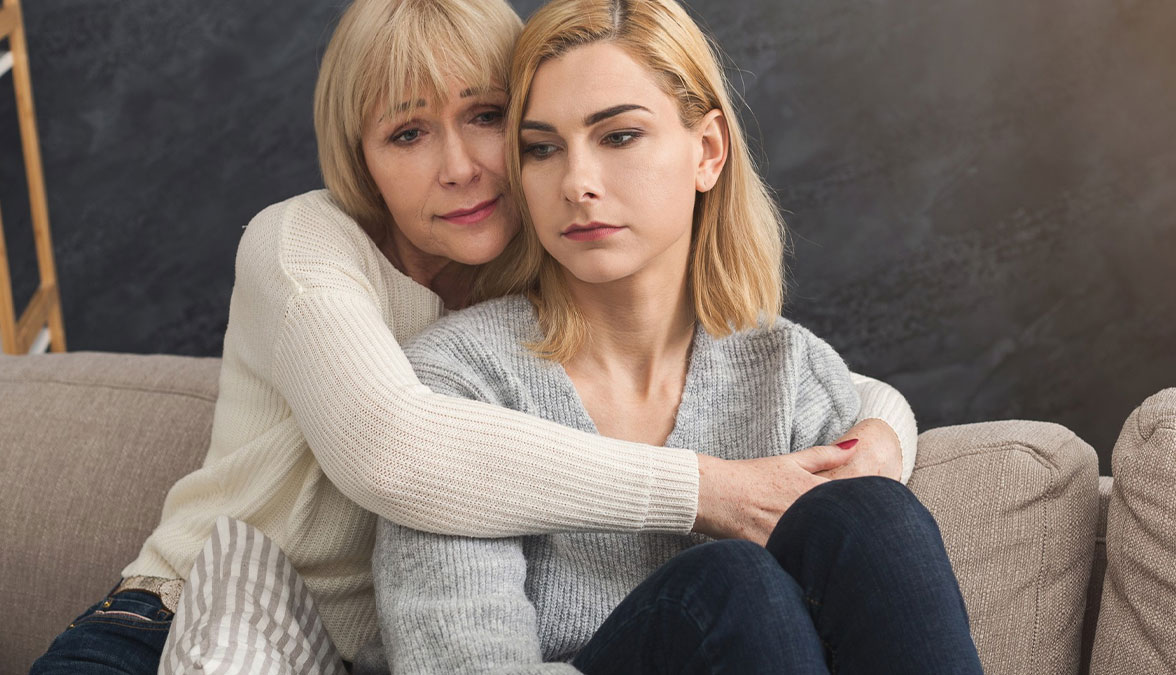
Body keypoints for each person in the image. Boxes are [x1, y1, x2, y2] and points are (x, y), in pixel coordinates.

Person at [31, 0, 915, 672]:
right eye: (407, 132)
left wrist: (883, 430)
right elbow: (398, 449)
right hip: (180, 625)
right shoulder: (306, 246)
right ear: (362, 159)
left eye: (488, 117)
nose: (458, 166)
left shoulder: (534, 275)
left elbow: (814, 380)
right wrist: (703, 488)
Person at [371, 0, 980, 672]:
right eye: (542, 149)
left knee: (874, 514)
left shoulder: (788, 369)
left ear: (708, 151)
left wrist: (885, 434)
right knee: (731, 588)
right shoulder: (460, 382)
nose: (577, 183)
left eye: (619, 136)